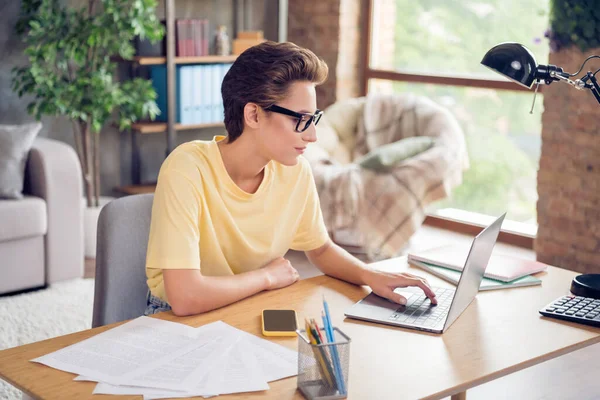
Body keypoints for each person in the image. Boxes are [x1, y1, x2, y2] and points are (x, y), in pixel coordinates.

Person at [144, 41, 437, 317]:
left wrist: (370, 275)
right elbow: (185, 298)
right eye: (300, 120)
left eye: (313, 119)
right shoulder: (187, 168)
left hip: (250, 303)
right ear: (254, 115)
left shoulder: (294, 171)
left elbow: (320, 248)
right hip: (176, 320)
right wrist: (268, 276)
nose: (312, 135)